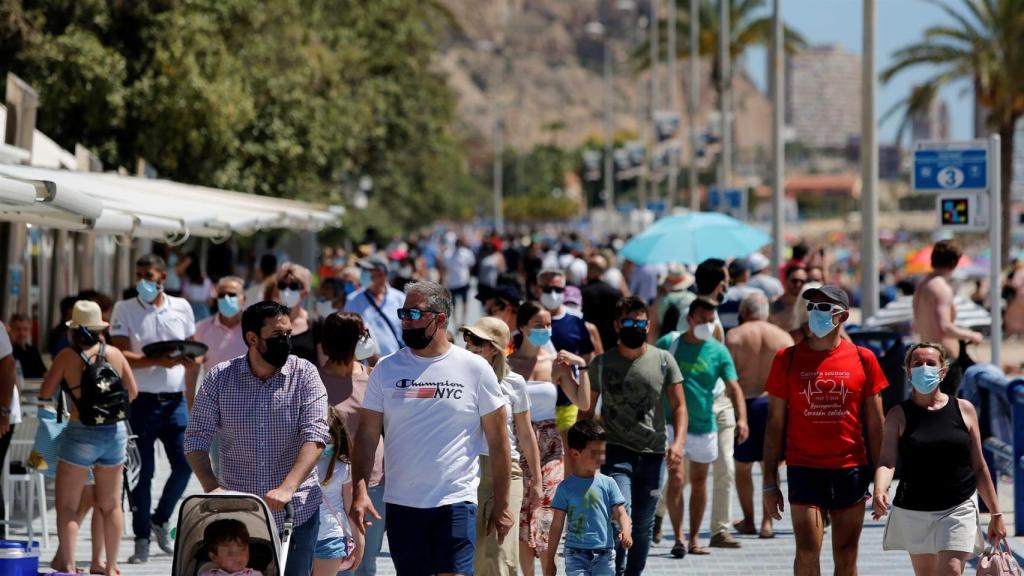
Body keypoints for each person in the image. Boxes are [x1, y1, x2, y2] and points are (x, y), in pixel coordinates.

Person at [349, 281, 513, 576]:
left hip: (456, 500)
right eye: (402, 313)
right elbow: (366, 436)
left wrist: (502, 503)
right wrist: (359, 491)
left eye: (412, 314)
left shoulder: (475, 369)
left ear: (439, 318)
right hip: (402, 503)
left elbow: (500, 442)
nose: (404, 321)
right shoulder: (386, 369)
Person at [186, 301, 330, 576]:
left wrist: (288, 487)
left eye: (288, 334)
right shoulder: (220, 378)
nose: (286, 342)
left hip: (295, 511)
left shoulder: (305, 374)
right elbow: (196, 438)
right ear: (252, 338)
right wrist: (210, 486)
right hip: (241, 517)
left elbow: (316, 435)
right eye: (278, 336)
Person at [763, 285, 887, 576]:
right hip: (804, 467)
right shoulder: (787, 358)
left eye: (823, 307)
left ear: (841, 316)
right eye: (812, 307)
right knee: (807, 550)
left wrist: (882, 480)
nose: (814, 313)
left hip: (850, 468)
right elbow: (774, 424)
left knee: (846, 556)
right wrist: (769, 481)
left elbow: (876, 424)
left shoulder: (863, 358)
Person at [873, 342, 1005, 576]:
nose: (924, 368)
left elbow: (979, 465)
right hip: (915, 509)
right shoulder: (898, 415)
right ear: (908, 372)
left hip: (959, 505)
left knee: (952, 570)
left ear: (942, 371)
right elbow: (886, 460)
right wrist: (880, 490)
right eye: (918, 364)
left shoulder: (964, 409)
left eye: (930, 363)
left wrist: (996, 514)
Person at [587, 296, 686, 575]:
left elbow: (679, 406)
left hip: (653, 453)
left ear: (648, 324)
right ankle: (615, 571)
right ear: (617, 325)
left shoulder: (664, 360)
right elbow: (586, 410)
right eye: (628, 322)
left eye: (639, 322)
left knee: (643, 524)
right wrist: (585, 453)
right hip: (616, 451)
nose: (634, 327)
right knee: (621, 513)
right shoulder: (602, 364)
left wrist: (678, 443)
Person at [110, 254, 196, 564]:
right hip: (141, 401)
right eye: (139, 274)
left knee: (188, 463)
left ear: (162, 276)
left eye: (149, 274)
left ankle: (162, 519)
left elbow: (193, 348)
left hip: (175, 400)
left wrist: (191, 376)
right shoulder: (125, 308)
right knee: (142, 474)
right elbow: (118, 354)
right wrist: (155, 361)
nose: (144, 280)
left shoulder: (181, 306)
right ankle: (142, 537)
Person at [42, 300, 138, 576]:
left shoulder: (66, 356)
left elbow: (47, 391)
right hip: (115, 433)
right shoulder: (117, 355)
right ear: (100, 329)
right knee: (110, 505)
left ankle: (70, 566)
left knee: (68, 506)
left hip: (80, 432)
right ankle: (110, 566)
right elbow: (132, 392)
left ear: (73, 330)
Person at [508, 301, 590, 576]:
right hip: (517, 441)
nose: (545, 329)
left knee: (548, 512)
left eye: (548, 325)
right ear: (522, 327)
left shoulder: (555, 364)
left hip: (551, 445)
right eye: (538, 325)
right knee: (521, 513)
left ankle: (548, 571)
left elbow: (583, 401)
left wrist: (583, 366)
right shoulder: (508, 365)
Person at [663, 297, 748, 556]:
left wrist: (742, 419)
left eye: (711, 321)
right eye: (702, 320)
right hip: (673, 424)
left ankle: (694, 538)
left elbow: (734, 387)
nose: (707, 326)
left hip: (704, 424)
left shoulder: (718, 350)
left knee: (699, 481)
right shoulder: (670, 344)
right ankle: (678, 538)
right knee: (676, 479)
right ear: (689, 320)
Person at [463, 316, 545, 576]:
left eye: (478, 340)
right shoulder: (459, 379)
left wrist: (538, 479)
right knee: (474, 552)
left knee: (500, 553)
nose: (470, 345)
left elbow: (525, 432)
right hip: (468, 469)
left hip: (508, 470)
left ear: (494, 348)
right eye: (468, 339)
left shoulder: (515, 383)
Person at [318, 312, 385, 576]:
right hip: (330, 485)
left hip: (372, 482)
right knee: (336, 559)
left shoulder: (373, 377)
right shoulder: (312, 380)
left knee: (365, 562)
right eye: (364, 335)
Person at [724, 293, 794, 539]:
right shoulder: (783, 337)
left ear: (743, 311)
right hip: (773, 404)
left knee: (742, 468)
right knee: (771, 465)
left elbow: (727, 379)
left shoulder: (734, 336)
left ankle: (750, 520)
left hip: (745, 403)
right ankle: (768, 523)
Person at [542, 420, 631, 576]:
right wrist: (550, 560)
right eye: (594, 453)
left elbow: (621, 513)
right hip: (575, 554)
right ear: (575, 454)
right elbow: (557, 525)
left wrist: (626, 531)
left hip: (605, 554)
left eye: (602, 452)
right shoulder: (565, 487)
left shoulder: (608, 483)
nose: (601, 457)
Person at [912, 240, 983, 395]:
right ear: (955, 263)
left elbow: (916, 324)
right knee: (947, 410)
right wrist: (972, 335)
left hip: (927, 355)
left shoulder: (922, 285)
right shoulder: (942, 289)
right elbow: (944, 327)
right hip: (945, 360)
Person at [538, 269, 596, 433]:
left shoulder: (576, 319)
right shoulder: (528, 319)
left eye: (558, 290)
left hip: (567, 401)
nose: (553, 294)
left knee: (564, 455)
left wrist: (580, 378)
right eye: (548, 289)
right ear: (537, 289)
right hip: (536, 403)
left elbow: (588, 355)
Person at [314, 408, 363, 576]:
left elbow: (351, 508)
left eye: (327, 435)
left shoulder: (343, 468)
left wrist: (360, 542)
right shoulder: (294, 462)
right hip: (299, 536)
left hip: (330, 537)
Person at [189, 276, 248, 407]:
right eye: (222, 295)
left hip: (249, 405)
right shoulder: (201, 328)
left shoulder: (256, 329)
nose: (226, 299)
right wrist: (190, 406)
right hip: (214, 406)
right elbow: (192, 370)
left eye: (232, 294)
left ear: (243, 299)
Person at [344, 255, 405, 358]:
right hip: (366, 369)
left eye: (367, 270)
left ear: (381, 274)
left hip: (398, 364)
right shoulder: (352, 300)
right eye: (362, 270)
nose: (362, 273)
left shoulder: (400, 298)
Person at [265, 264, 319, 365]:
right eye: (282, 285)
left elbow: (324, 365)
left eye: (294, 286)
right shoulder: (268, 322)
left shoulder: (316, 324)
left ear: (305, 292)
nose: (287, 291)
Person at [581, 255, 624, 352]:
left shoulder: (581, 292)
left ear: (588, 270)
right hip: (610, 341)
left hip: (588, 340)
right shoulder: (615, 293)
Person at [444, 238, 476, 326]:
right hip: (452, 284)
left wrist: (468, 276)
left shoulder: (467, 253)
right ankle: (456, 322)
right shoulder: (448, 254)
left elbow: (471, 265)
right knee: (454, 305)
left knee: (464, 303)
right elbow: (445, 269)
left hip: (463, 282)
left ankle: (463, 321)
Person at [769, 265, 808, 332]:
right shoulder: (774, 303)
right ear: (786, 280)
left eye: (802, 281)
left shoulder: (808, 306)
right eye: (794, 281)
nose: (798, 284)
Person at [7, 314, 45, 378]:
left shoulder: (33, 350)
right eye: (18, 329)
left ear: (30, 332)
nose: (22, 333)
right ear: (10, 330)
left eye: (25, 329)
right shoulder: (6, 352)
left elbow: (44, 373)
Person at [181, 251, 214, 321]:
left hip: (190, 310)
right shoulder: (207, 280)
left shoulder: (186, 281)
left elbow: (183, 297)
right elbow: (210, 301)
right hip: (204, 311)